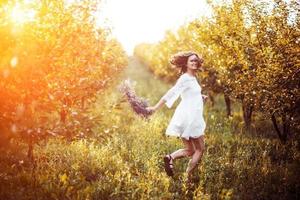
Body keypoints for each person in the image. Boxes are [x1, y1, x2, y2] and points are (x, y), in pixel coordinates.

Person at [146, 51, 206, 178]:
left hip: (187, 115)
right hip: (190, 117)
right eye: (192, 61)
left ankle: (170, 157)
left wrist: (200, 97)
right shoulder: (185, 78)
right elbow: (171, 93)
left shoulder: (193, 78)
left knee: (190, 150)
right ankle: (187, 177)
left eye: (196, 60)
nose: (195, 62)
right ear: (186, 63)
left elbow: (190, 95)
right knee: (200, 149)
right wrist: (156, 107)